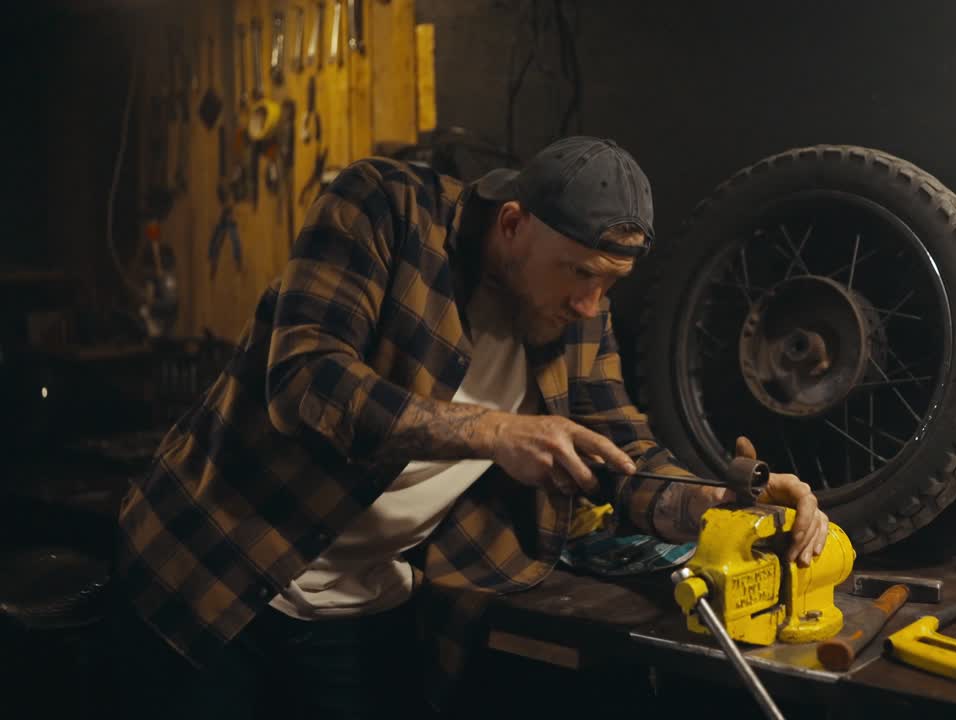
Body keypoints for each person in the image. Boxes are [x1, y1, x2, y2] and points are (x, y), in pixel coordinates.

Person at [112, 136, 829, 718]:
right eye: (580, 273)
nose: (591, 304)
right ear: (513, 225)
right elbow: (305, 383)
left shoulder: (581, 316)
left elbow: (627, 453)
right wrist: (491, 432)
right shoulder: (385, 211)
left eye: (609, 282)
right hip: (220, 571)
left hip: (364, 604)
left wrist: (715, 504)